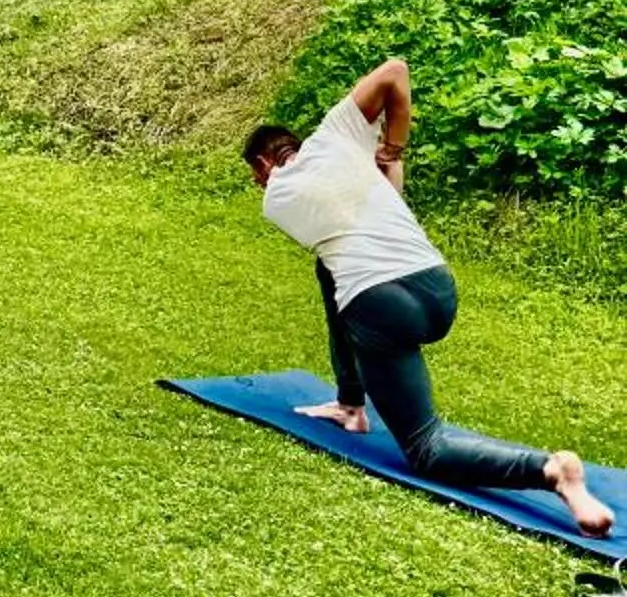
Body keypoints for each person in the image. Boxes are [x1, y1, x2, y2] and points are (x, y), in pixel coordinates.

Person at [244, 57, 614, 535]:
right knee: (327, 271)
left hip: (381, 306)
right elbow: (395, 72)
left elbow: (336, 231)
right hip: (436, 288)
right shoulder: (337, 134)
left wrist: (384, 156)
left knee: (426, 448)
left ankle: (551, 471)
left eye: (256, 175)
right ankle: (350, 403)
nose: (258, 184)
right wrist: (392, 150)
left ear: (264, 164)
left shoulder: (275, 200)